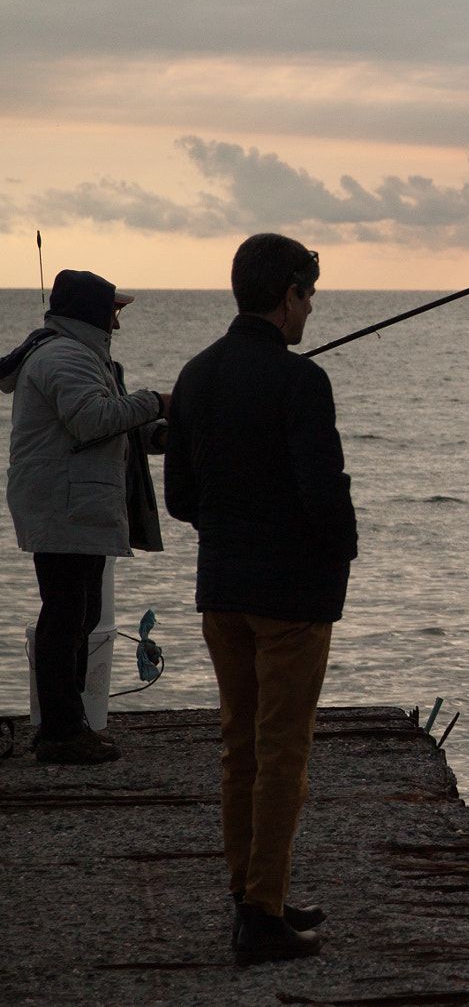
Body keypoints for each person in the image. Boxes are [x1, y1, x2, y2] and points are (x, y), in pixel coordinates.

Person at [165, 233, 357, 966]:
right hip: (291, 599)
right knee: (283, 754)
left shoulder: (196, 375)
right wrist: (341, 548)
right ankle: (262, 915)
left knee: (238, 746)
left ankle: (253, 891)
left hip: (223, 593)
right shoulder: (301, 384)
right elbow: (323, 494)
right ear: (287, 296)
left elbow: (181, 497)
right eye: (308, 294)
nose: (310, 308)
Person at [3, 269, 169, 765]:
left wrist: (158, 433)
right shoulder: (64, 356)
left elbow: (103, 425)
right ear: (92, 312)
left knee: (80, 616)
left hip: (74, 506)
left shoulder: (79, 356)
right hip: (64, 507)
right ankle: (59, 733)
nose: (118, 321)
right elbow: (94, 419)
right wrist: (157, 401)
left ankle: (68, 724)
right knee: (65, 619)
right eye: (114, 310)